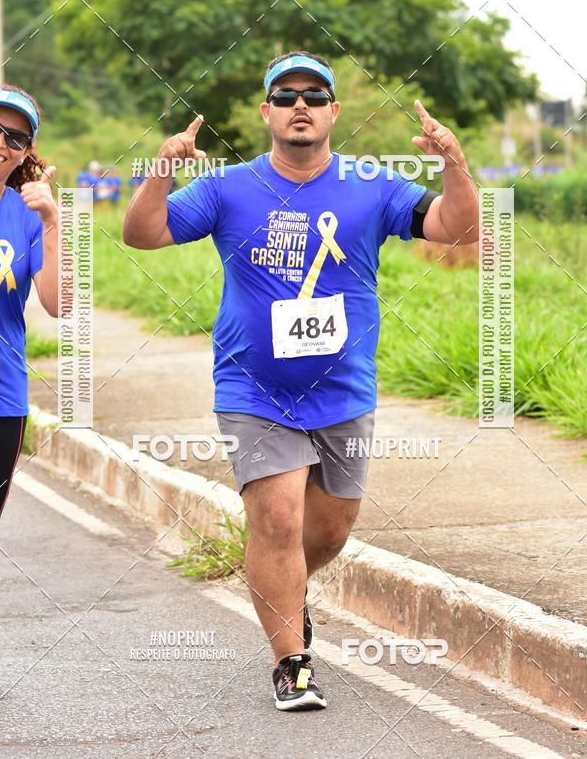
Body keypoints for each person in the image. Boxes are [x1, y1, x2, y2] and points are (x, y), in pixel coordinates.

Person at [122, 51, 479, 710]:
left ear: (334, 111)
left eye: (315, 95)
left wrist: (453, 166)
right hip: (253, 388)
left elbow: (458, 227)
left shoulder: (373, 184)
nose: (301, 105)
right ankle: (292, 661)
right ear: (266, 113)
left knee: (329, 533)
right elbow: (142, 234)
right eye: (285, 96)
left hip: (344, 388)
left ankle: (283, 590)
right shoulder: (230, 186)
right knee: (279, 519)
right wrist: (158, 176)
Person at [0, 85, 59, 699]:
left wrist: (55, 220)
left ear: (25, 153)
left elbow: (62, 306)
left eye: (14, 137)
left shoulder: (27, 214)